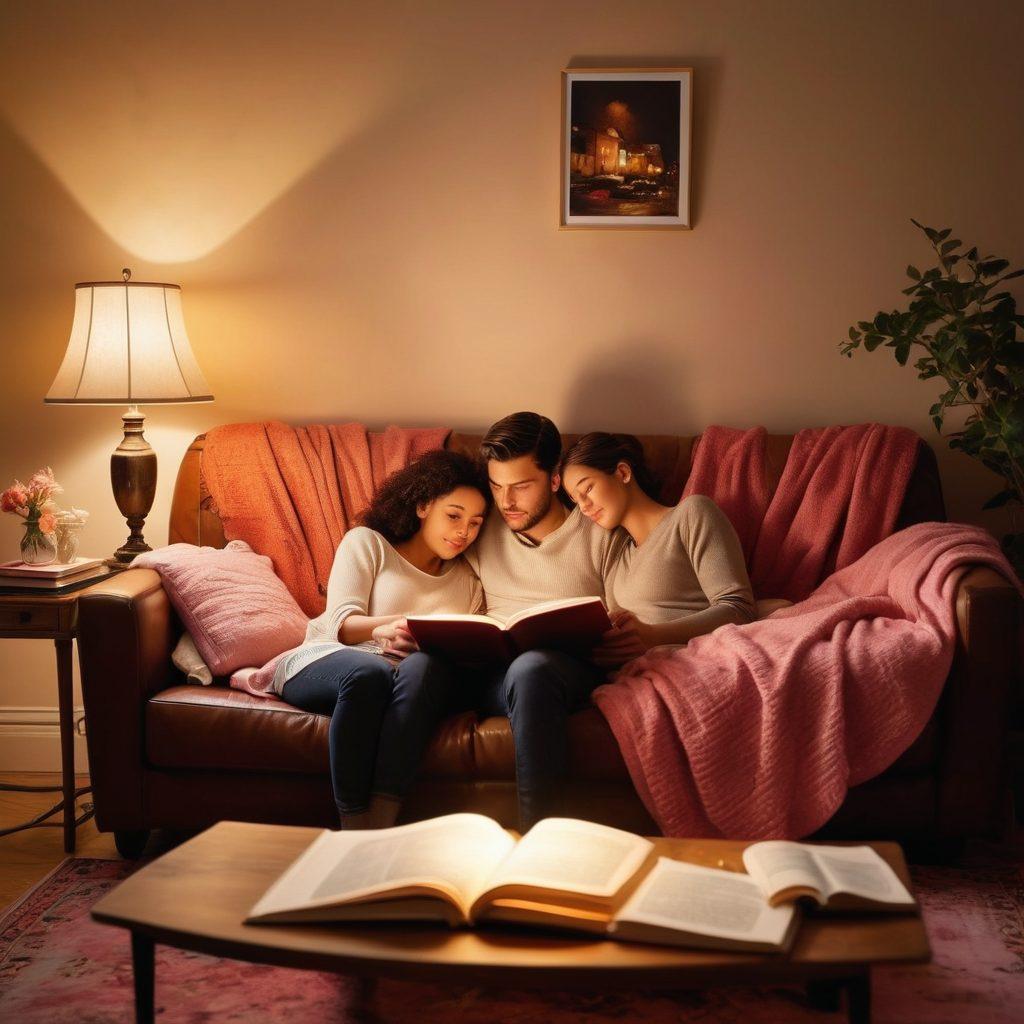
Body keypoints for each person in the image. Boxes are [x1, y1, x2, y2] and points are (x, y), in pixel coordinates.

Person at [275, 450, 489, 830]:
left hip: (404, 679)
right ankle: (355, 828)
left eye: (475, 523)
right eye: (454, 515)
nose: (463, 532)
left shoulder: (468, 582)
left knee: (418, 668)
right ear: (423, 505)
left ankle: (381, 821)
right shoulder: (368, 543)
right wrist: (388, 626)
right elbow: (341, 622)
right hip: (329, 659)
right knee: (369, 672)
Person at [465, 412, 626, 829]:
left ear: (555, 478)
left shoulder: (600, 530)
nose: (506, 502)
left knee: (531, 669)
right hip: (489, 672)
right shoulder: (481, 526)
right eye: (497, 486)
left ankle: (539, 838)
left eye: (521, 486)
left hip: (563, 672)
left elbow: (628, 611)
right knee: (420, 670)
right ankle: (374, 825)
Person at [560, 432, 756, 666]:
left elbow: (739, 608)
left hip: (693, 662)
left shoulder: (691, 514)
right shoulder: (615, 555)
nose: (583, 506)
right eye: (575, 499)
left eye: (588, 489)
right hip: (632, 675)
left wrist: (653, 636)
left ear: (622, 472)